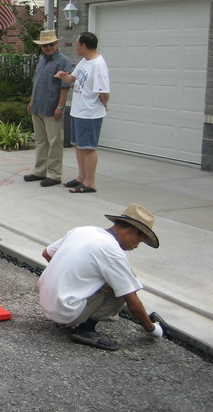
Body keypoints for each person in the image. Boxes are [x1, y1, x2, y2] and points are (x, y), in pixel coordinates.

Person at [38, 203, 166, 351]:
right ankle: (86, 329)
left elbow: (47, 254)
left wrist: (68, 278)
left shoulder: (83, 230)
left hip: (47, 304)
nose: (136, 246)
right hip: (67, 312)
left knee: (116, 278)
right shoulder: (113, 252)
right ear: (132, 231)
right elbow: (132, 301)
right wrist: (153, 329)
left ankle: (67, 314)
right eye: (140, 240)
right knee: (126, 281)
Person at [54, 31, 110, 193]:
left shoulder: (98, 65)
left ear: (84, 45)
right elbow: (72, 79)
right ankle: (81, 177)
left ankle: (89, 183)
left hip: (90, 113)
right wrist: (63, 76)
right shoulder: (84, 61)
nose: (76, 47)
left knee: (88, 147)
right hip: (79, 111)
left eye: (77, 44)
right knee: (78, 146)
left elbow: (104, 93)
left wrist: (104, 105)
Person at [24, 30, 72, 187]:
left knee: (55, 142)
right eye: (44, 45)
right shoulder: (42, 60)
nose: (48, 47)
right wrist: (32, 101)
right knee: (41, 141)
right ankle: (40, 171)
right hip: (38, 107)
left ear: (57, 44)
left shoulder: (62, 61)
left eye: (51, 44)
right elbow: (36, 83)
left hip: (52, 109)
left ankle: (54, 174)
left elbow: (65, 87)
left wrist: (60, 106)